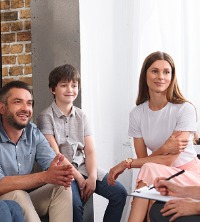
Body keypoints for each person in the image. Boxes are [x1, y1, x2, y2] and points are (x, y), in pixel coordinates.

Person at [107, 51, 200, 222]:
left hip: (189, 174)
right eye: (155, 71)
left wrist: (126, 163)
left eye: (166, 72)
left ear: (172, 77)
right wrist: (164, 148)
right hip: (161, 174)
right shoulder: (137, 114)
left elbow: (168, 161)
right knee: (148, 170)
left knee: (149, 170)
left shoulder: (184, 109)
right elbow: (145, 159)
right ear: (145, 75)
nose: (161, 77)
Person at [37, 64, 127, 222]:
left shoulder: (81, 116)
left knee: (119, 193)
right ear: (53, 89)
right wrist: (79, 178)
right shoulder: (45, 117)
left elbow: (90, 151)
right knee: (74, 205)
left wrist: (92, 177)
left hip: (84, 167)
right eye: (64, 85)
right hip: (63, 171)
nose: (70, 89)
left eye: (74, 85)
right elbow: (56, 154)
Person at [0, 80, 74, 222]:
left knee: (61, 188)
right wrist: (45, 176)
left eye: (29, 103)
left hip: (26, 199)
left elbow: (54, 166)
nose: (25, 108)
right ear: (2, 108)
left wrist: (59, 172)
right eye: (17, 102)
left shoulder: (32, 132)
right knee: (18, 194)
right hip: (4, 204)